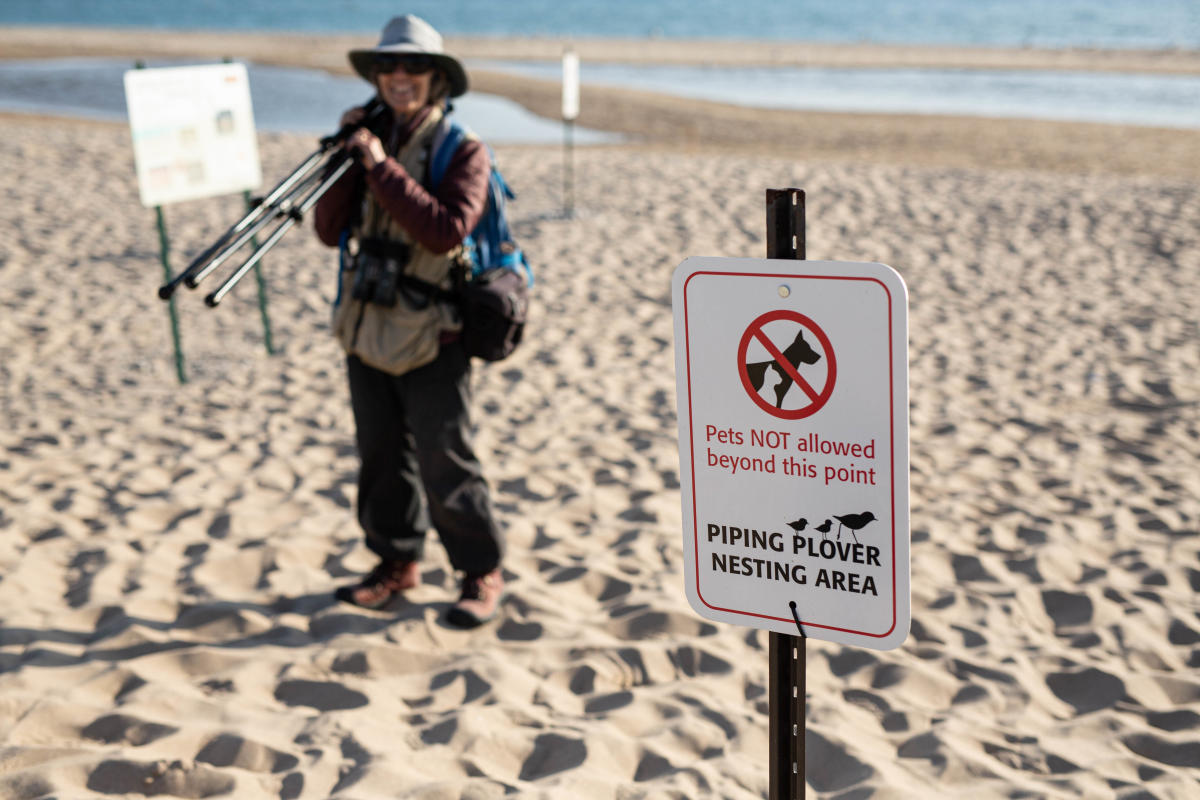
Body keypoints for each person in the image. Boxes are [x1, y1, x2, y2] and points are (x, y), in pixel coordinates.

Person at [313, 15, 504, 627]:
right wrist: (347, 157)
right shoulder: (365, 139)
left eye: (413, 67)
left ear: (436, 79)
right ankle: (396, 563)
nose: (398, 77)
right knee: (379, 454)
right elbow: (326, 229)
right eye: (387, 66)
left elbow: (445, 229)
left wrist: (378, 166)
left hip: (433, 329)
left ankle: (480, 572)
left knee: (445, 457)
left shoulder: (463, 150)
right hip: (366, 322)